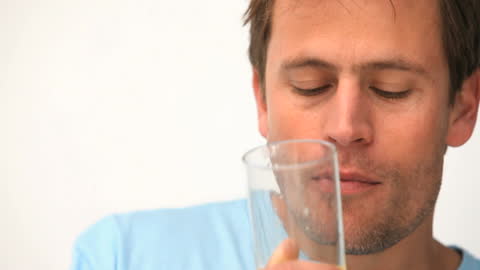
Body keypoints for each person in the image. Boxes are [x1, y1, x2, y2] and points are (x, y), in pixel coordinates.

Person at [70, 0, 480, 269]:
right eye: (310, 85)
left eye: (392, 89)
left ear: (462, 108)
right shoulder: (122, 256)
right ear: (262, 101)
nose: (345, 128)